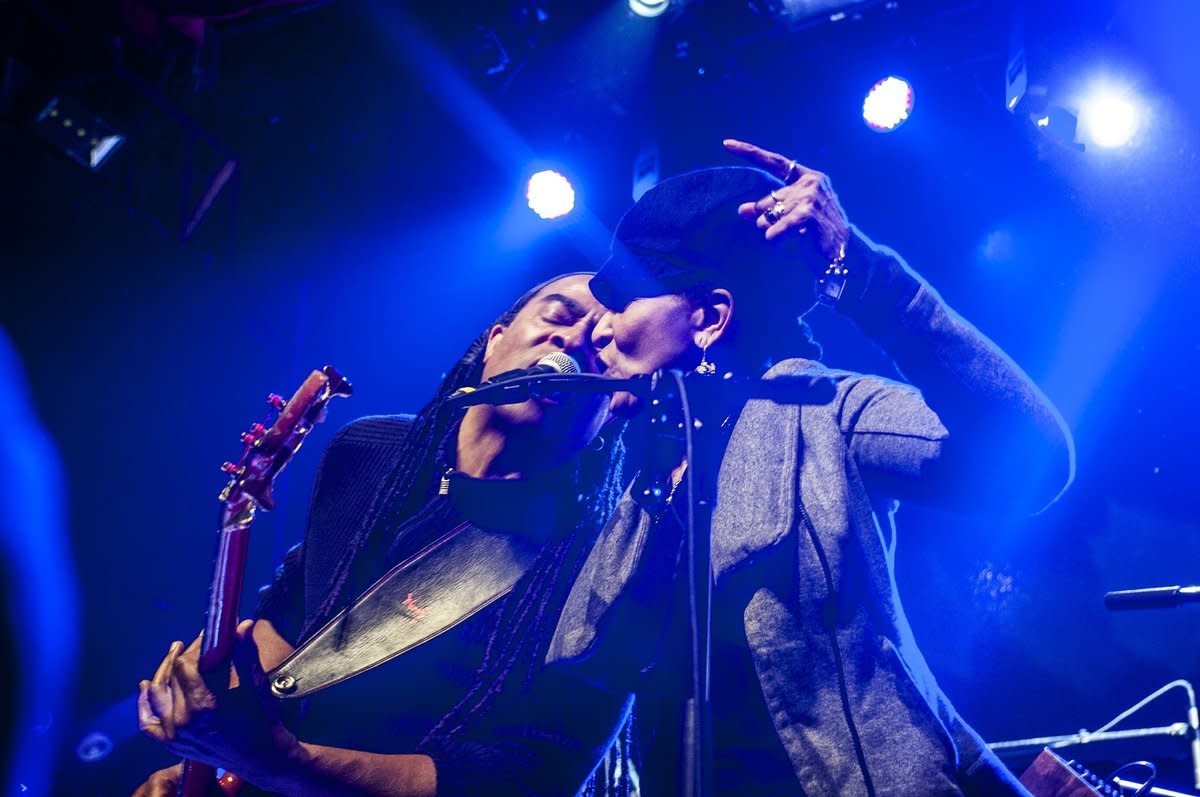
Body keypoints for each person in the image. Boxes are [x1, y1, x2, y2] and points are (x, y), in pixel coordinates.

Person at [547, 141, 1075, 796]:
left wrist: (871, 280)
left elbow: (1032, 460)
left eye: (625, 298)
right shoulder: (639, 476)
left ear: (709, 319)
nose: (600, 325)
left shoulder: (821, 410)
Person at [133, 273, 637, 796]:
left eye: (605, 343)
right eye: (559, 316)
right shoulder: (370, 451)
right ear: (494, 341)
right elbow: (290, 619)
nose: (574, 340)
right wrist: (208, 750)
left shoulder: (608, 557)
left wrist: (281, 762)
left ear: (617, 399)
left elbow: (530, 776)